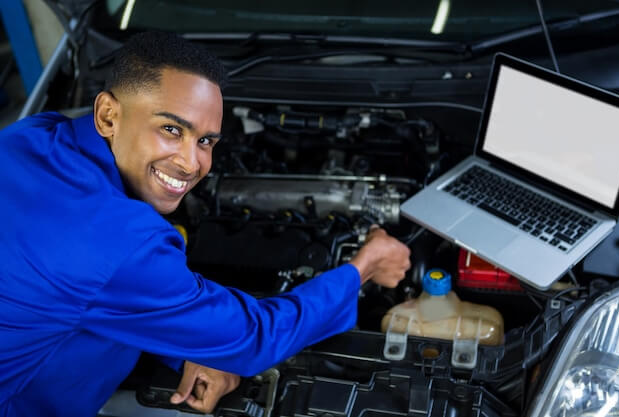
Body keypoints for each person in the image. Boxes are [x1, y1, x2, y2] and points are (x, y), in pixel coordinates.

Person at [0, 32, 410, 416]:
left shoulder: (30, 136)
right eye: (171, 129)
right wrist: (362, 270)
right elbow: (254, 338)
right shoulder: (118, 240)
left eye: (206, 141)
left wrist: (188, 346)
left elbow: (94, 294)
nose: (191, 162)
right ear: (108, 115)